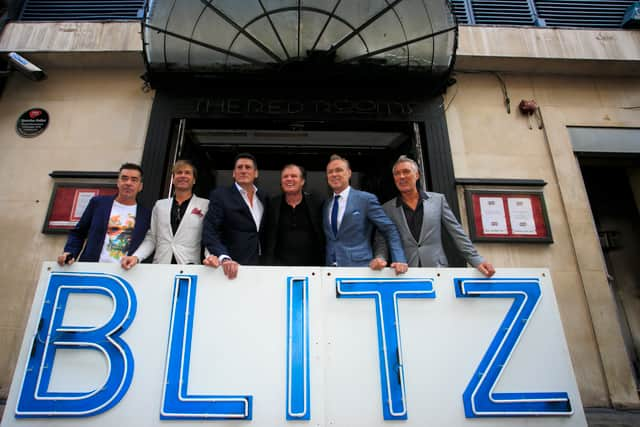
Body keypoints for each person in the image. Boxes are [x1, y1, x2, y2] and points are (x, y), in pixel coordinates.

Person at [374, 155, 495, 276]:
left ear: (417, 175)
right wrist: (381, 258)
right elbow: (382, 241)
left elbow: (457, 233)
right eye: (397, 174)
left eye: (406, 172)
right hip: (404, 271)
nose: (401, 177)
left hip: (438, 271)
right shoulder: (387, 209)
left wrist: (477, 260)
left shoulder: (438, 200)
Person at [323, 154, 408, 274]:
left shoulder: (365, 199)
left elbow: (389, 229)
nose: (334, 174)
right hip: (330, 270)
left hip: (360, 268)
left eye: (339, 170)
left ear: (349, 173)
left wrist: (399, 259)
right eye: (330, 172)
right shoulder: (327, 204)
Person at [121, 160, 212, 269]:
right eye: (179, 172)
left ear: (194, 180)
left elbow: (210, 237)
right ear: (173, 179)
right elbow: (152, 238)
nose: (183, 176)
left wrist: (211, 257)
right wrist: (136, 257)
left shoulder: (205, 205)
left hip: (189, 267)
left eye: (187, 173)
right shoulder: (160, 205)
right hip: (161, 266)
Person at [57, 163, 151, 265]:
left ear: (140, 186)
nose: (128, 183)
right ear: (118, 182)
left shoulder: (146, 214)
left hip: (125, 273)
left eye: (134, 180)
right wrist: (70, 253)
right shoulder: (98, 204)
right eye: (124, 178)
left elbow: (149, 241)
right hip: (93, 269)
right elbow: (78, 233)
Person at [202, 153, 268, 279]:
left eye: (248, 167)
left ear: (256, 173)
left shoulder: (264, 198)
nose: (243, 171)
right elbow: (210, 231)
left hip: (260, 268)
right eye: (239, 167)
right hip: (231, 268)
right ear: (233, 173)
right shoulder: (220, 195)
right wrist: (224, 257)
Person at [264, 164, 325, 266]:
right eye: (285, 176)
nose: (289, 179)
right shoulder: (272, 204)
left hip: (312, 270)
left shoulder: (317, 203)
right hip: (278, 270)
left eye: (294, 176)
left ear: (302, 181)